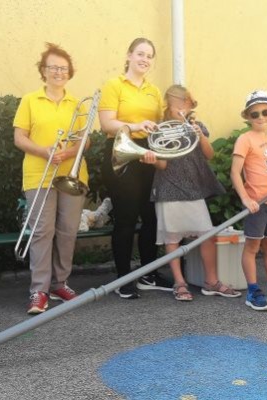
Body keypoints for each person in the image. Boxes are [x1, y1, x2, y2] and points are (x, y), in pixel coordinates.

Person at [13, 43, 88, 314]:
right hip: (39, 174)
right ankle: (39, 290)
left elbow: (85, 140)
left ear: (70, 72)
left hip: (72, 173)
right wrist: (44, 152)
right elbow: (19, 137)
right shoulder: (30, 100)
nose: (58, 72)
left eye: (63, 68)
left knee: (67, 231)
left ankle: (60, 283)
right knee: (42, 232)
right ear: (43, 71)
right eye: (53, 67)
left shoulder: (76, 104)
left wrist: (67, 152)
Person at [148, 85, 240, 301]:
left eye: (186, 104)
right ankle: (179, 283)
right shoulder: (159, 128)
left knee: (206, 234)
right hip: (168, 187)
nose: (183, 108)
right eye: (178, 104)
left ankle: (211, 281)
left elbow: (209, 155)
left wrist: (201, 136)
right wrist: (151, 159)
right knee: (172, 238)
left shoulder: (197, 126)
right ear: (169, 105)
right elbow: (162, 165)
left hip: (193, 188)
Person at [98, 38, 173, 299]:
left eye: (149, 56)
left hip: (147, 153)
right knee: (126, 218)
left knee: (151, 217)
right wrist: (135, 126)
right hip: (121, 152)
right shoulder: (114, 85)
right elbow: (107, 124)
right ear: (129, 55)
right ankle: (123, 278)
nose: (145, 59)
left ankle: (149, 274)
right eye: (140, 54)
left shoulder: (154, 91)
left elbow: (159, 127)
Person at [230, 90, 267, 311]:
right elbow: (235, 172)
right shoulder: (245, 139)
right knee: (253, 246)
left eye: (265, 112)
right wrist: (246, 198)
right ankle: (253, 291)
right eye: (255, 114)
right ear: (248, 117)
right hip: (256, 203)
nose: (261, 117)